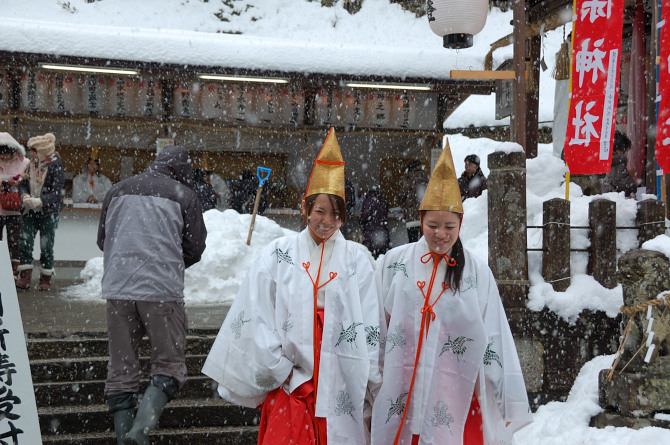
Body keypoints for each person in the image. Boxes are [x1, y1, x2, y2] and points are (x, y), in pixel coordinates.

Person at [202, 128, 385, 445]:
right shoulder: (277, 254)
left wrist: (368, 375)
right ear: (306, 209)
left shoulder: (358, 259)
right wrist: (282, 369)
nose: (326, 222)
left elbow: (370, 322)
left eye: (335, 214)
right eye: (319, 211)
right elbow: (259, 313)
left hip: (340, 374)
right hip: (291, 377)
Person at [371, 141, 532, 445]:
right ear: (420, 221)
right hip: (400, 384)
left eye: (449, 226)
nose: (440, 234)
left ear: (461, 224)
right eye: (433, 225)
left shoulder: (476, 273)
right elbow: (378, 323)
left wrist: (503, 392)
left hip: (455, 393)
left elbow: (493, 333)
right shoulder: (395, 263)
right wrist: (373, 380)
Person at [97, 145, 207, 445]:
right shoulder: (183, 195)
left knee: (121, 368)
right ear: (183, 169)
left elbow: (102, 240)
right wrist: (166, 261)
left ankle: (124, 437)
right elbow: (195, 247)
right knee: (169, 366)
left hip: (118, 291)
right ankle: (139, 432)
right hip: (161, 293)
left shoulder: (118, 190)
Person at [16, 133, 65, 292]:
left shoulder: (55, 165)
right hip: (29, 210)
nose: (32, 154)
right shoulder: (30, 164)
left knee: (47, 245)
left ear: (42, 151)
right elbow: (22, 184)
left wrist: (41, 200)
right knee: (25, 241)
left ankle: (45, 278)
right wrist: (24, 196)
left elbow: (57, 192)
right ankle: (25, 276)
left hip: (47, 212)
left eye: (34, 151)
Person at [0, 133, 30, 280]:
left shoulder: (24, 163)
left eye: (6, 153)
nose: (3, 157)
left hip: (15, 208)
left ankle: (14, 271)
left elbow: (30, 183)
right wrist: (5, 183)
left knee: (15, 241)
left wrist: (21, 184)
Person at [399, 160, 428, 244]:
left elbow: (401, 196)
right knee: (424, 244)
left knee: (412, 243)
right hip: (424, 216)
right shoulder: (426, 178)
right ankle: (423, 257)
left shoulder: (408, 179)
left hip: (411, 216)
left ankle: (414, 257)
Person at [601, 130, 637, 198]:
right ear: (618, 150)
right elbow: (622, 182)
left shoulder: (610, 159)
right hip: (617, 197)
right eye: (625, 150)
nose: (626, 153)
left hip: (609, 194)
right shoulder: (619, 160)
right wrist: (633, 187)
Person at [360, 186, 390, 258]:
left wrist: (361, 221)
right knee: (382, 257)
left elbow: (364, 215)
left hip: (371, 232)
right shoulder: (383, 199)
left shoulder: (368, 200)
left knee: (371, 257)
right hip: (382, 232)